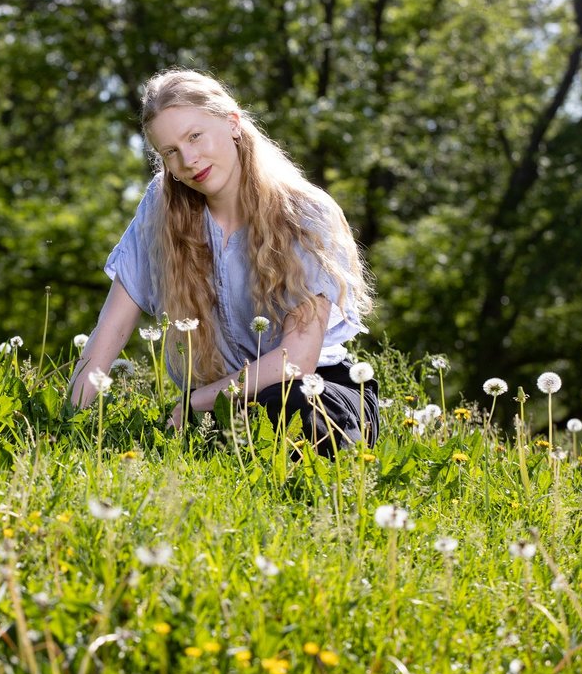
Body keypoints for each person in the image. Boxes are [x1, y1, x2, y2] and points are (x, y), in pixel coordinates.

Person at [68, 69, 378, 456]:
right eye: (170, 152)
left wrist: (197, 403)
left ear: (232, 122)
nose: (188, 160)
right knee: (223, 435)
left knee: (292, 408)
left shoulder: (306, 213)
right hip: (219, 404)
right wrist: (68, 419)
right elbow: (111, 330)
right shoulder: (161, 208)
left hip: (314, 389)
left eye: (195, 136)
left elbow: (296, 360)